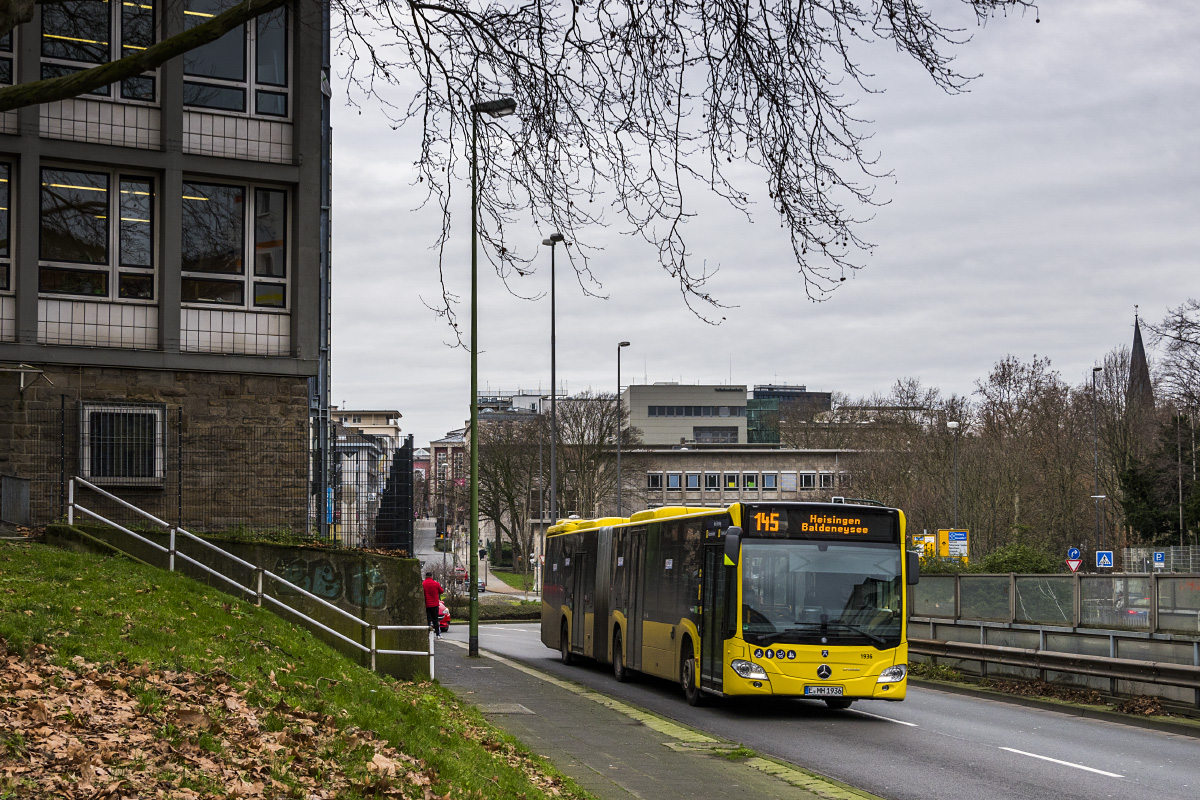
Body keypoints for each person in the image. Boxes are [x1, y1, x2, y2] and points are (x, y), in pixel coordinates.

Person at [422, 571, 444, 636]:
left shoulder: (423, 584)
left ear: (426, 577)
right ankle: (438, 634)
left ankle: (427, 635)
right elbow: (441, 591)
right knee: (435, 620)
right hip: (435, 605)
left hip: (427, 605)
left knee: (428, 621)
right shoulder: (436, 584)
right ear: (432, 576)